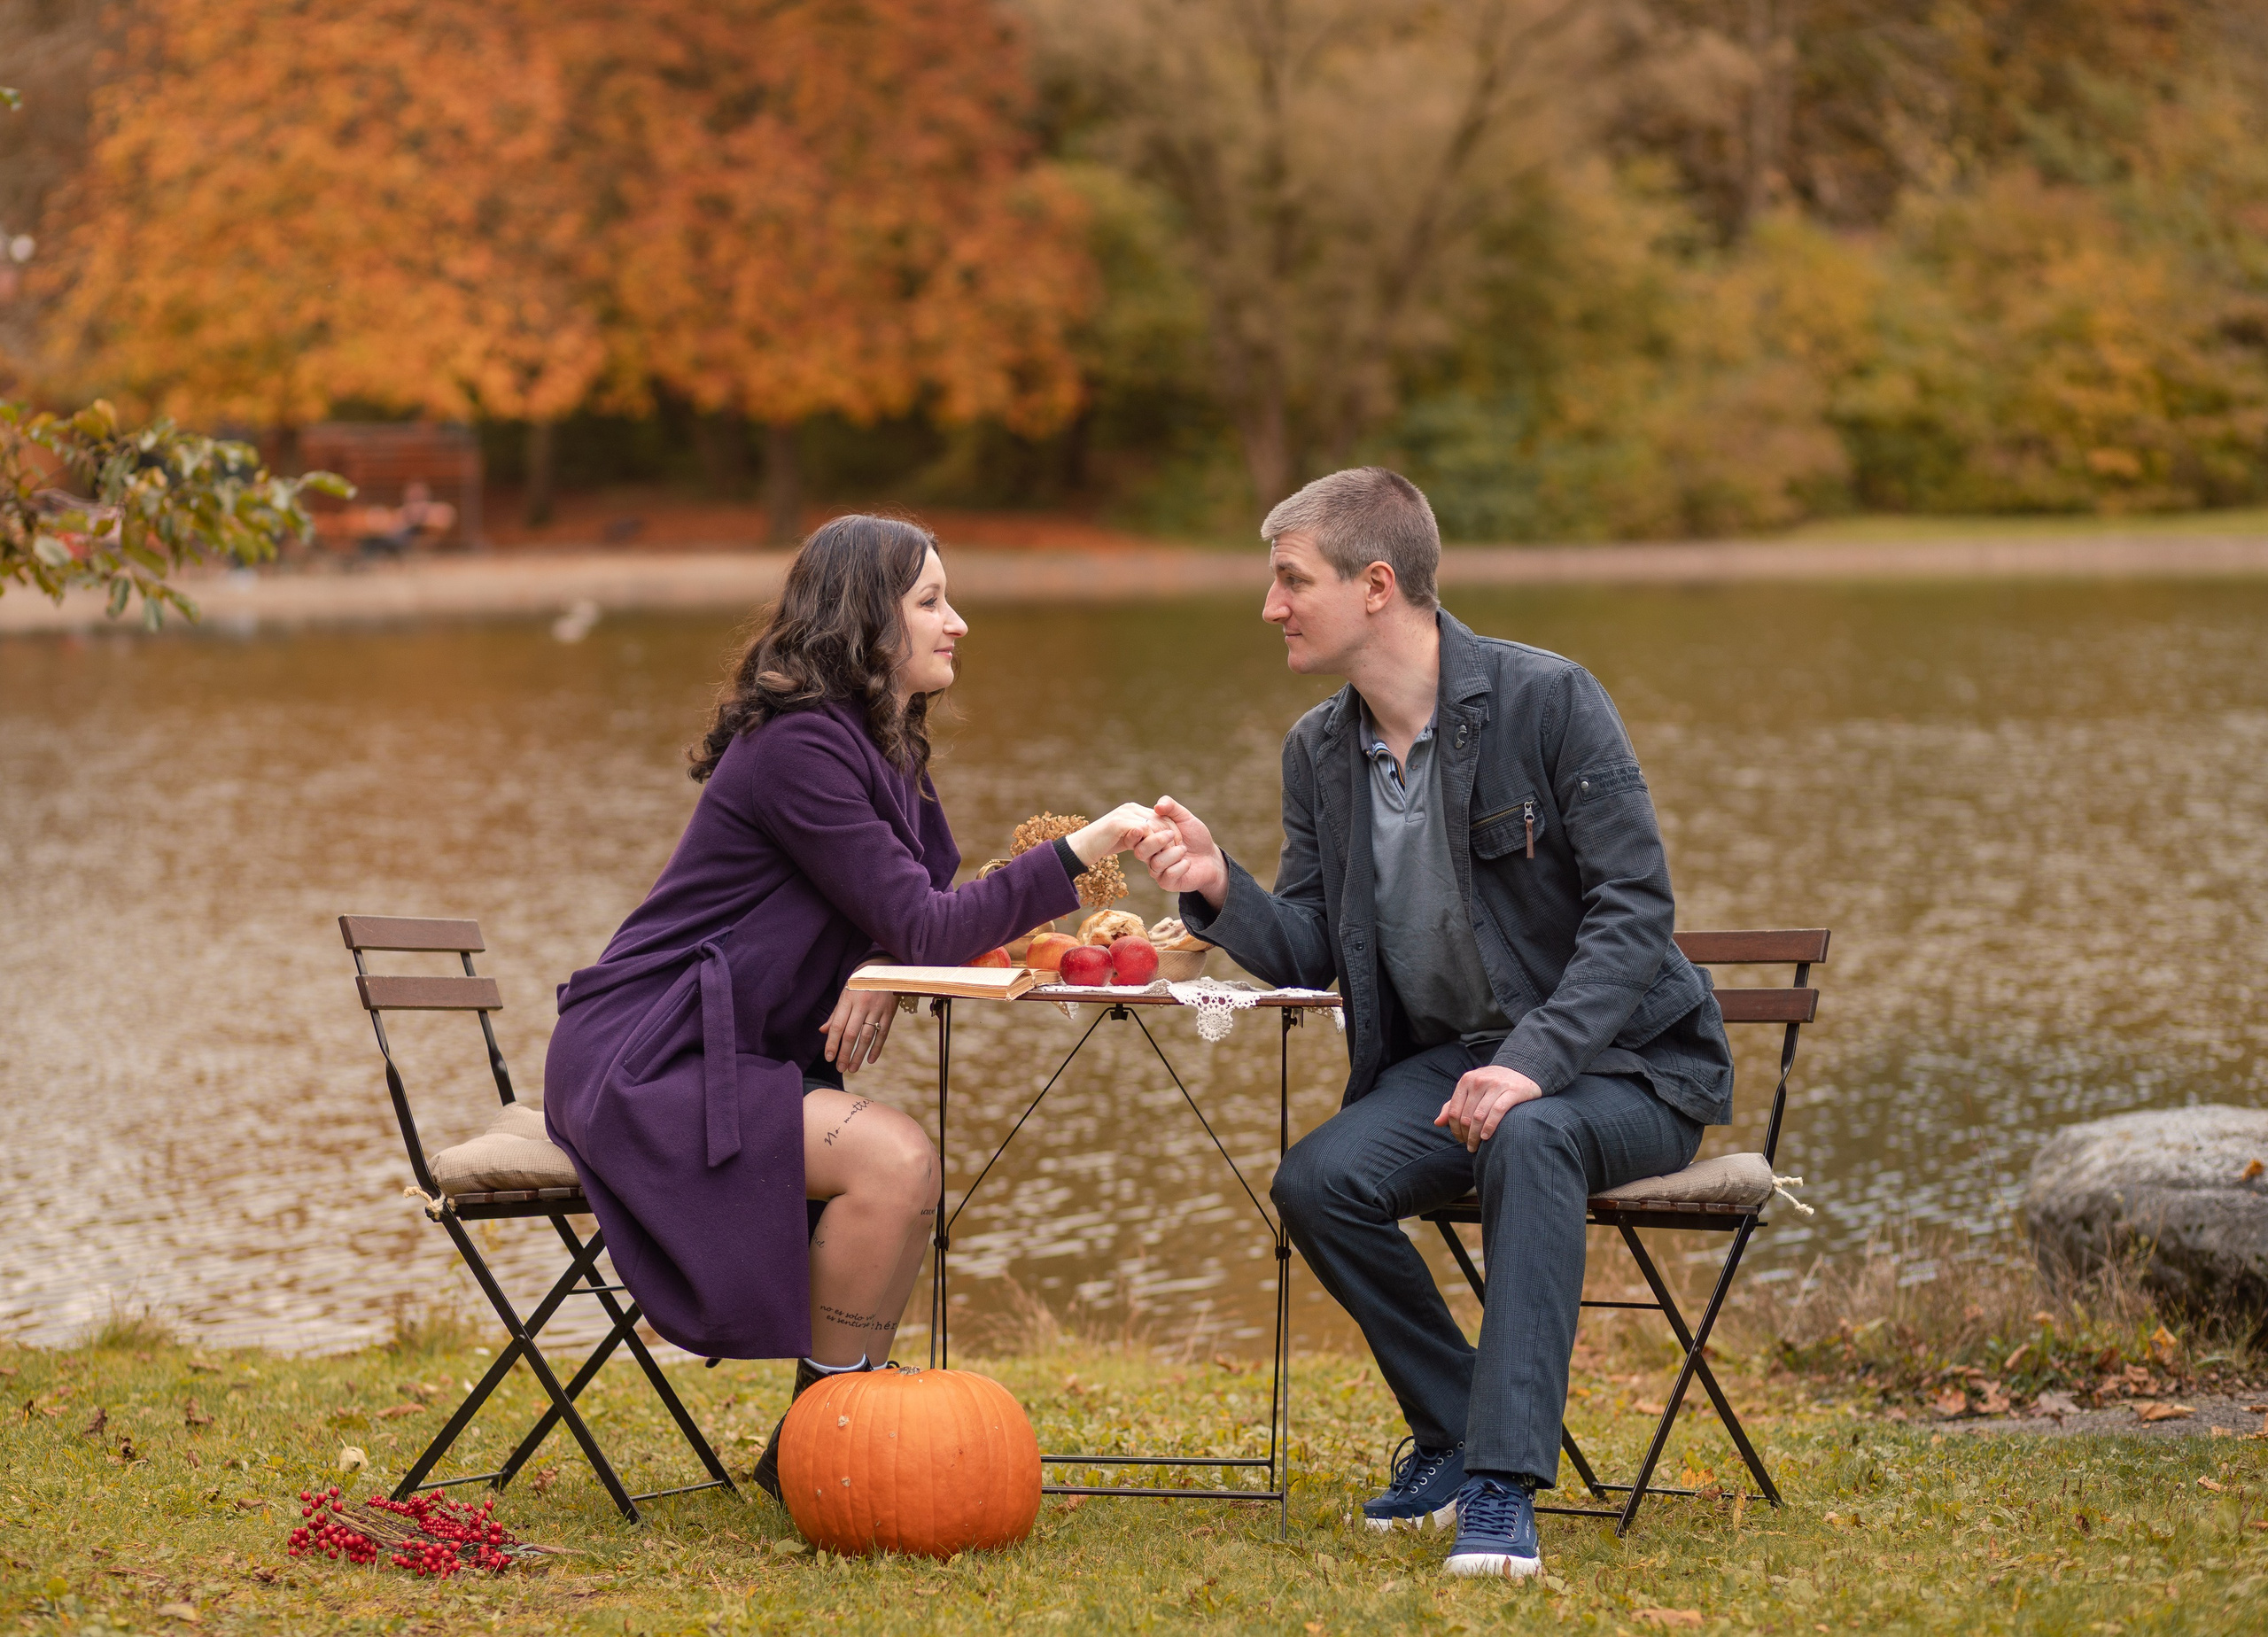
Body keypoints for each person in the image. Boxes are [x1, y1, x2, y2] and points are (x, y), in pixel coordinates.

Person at [1134, 468, 1732, 1578]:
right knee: (1321, 1183)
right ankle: (1463, 1430)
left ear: (1374, 585)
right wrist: (1220, 889)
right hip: (1455, 1066)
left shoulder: (1547, 700)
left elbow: (1634, 912)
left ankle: (1503, 1491)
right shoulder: (1318, 751)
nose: (1271, 607)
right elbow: (1315, 945)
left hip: (1632, 1067)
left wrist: (1534, 1064)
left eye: (1288, 580)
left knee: (1531, 1130)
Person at [542, 514, 1161, 1504]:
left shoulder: (883, 751)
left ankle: (816, 1442)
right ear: (867, 622)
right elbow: (929, 920)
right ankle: (824, 1444)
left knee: (900, 1163)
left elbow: (920, 908)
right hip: (646, 1056)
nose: (956, 623)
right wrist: (1084, 849)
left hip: (723, 1053)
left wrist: (876, 960)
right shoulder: (799, 747)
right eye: (929, 603)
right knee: (896, 1157)